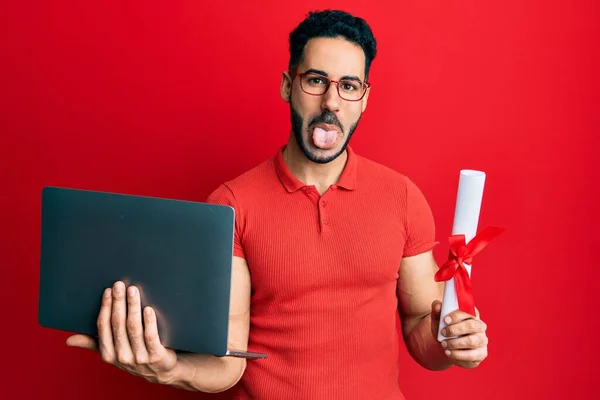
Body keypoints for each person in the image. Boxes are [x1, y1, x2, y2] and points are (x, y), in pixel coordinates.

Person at [66, 9, 489, 399]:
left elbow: (421, 326)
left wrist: (453, 345)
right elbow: (229, 359)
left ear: (363, 98)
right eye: (316, 80)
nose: (331, 102)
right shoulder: (232, 204)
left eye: (349, 86)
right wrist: (171, 368)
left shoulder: (402, 197)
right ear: (289, 85)